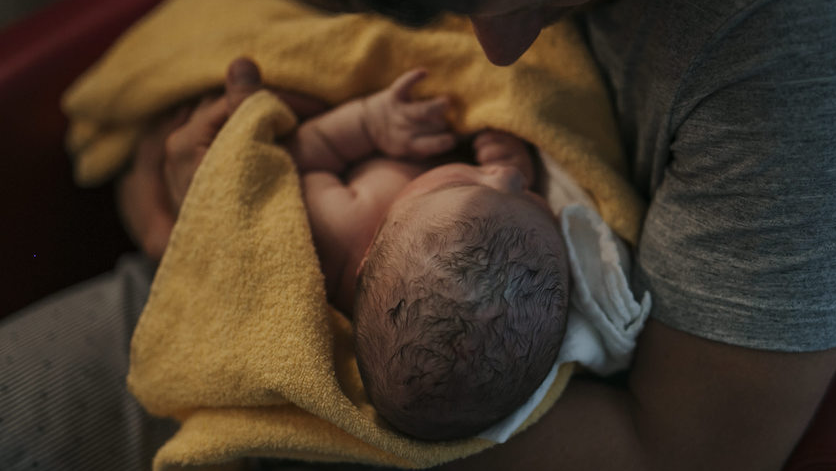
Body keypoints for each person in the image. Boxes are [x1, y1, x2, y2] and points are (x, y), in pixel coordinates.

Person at [0, 0, 836, 471]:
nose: (496, 49)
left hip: (544, 440)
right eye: (449, 5)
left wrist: (317, 371)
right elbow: (295, 18)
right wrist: (196, 162)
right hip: (239, 317)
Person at [168, 59, 570, 442]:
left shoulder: (339, 227)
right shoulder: (452, 244)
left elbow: (294, 160)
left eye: (474, 183)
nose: (510, 176)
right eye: (527, 196)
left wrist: (367, 123)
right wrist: (505, 158)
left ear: (366, 265)